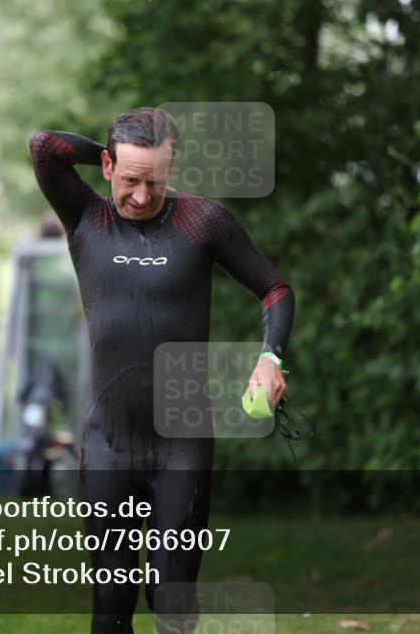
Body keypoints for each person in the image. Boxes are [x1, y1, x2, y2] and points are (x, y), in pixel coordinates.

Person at [28, 107, 294, 633]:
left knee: (172, 603)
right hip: (108, 442)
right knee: (112, 606)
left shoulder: (203, 222)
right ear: (106, 167)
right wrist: (107, 146)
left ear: (173, 168)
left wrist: (271, 357)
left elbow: (276, 288)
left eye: (156, 180)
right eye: (130, 179)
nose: (143, 196)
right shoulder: (87, 217)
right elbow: (43, 147)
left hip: (182, 446)